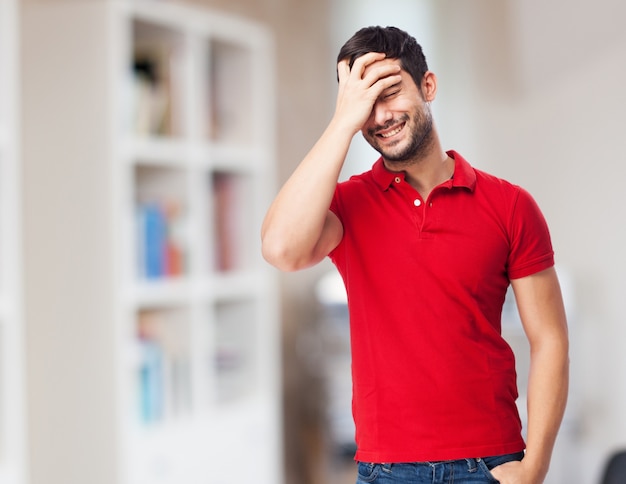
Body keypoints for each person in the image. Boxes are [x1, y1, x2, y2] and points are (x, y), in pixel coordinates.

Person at [261, 26, 569, 484]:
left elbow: (550, 340)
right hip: (387, 469)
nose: (380, 116)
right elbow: (281, 249)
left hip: (491, 463)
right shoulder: (347, 206)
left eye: (389, 92)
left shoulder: (511, 205)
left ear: (428, 85)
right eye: (364, 104)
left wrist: (535, 466)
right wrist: (343, 122)